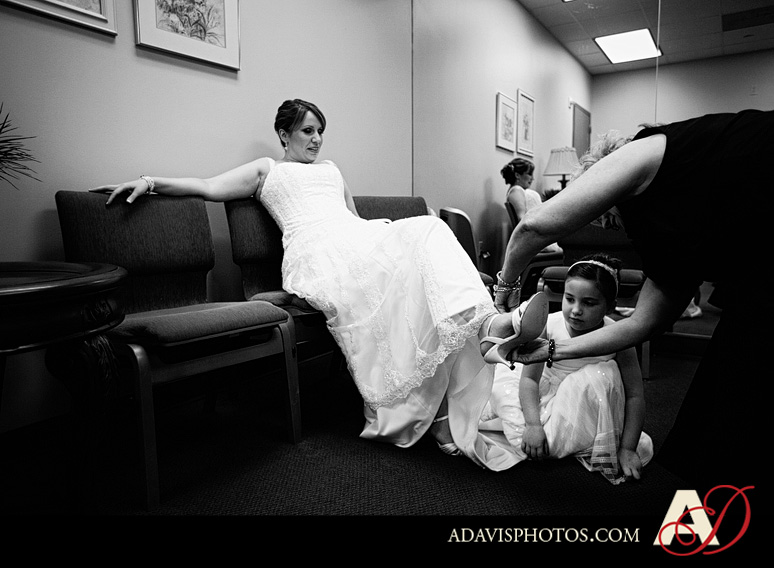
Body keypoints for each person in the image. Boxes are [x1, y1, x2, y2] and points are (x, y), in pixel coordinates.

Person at [91, 99, 549, 471]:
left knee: (428, 231)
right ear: (284, 134)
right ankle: (482, 339)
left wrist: (399, 238)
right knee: (420, 243)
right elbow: (208, 186)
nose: (316, 139)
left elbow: (354, 220)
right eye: (307, 131)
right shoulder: (267, 169)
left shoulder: (332, 168)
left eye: (320, 131)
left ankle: (488, 327)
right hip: (315, 254)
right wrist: (150, 181)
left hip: (351, 241)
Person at [494, 109, 773, 491]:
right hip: (757, 286)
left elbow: (532, 226)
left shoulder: (640, 155)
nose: (610, 225)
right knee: (722, 426)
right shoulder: (671, 237)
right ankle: (708, 515)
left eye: (605, 215)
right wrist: (551, 351)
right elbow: (643, 323)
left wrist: (506, 285)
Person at [480, 253, 652, 484]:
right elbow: (529, 380)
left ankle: (575, 437)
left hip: (589, 401)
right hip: (545, 393)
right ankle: (554, 434)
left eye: (589, 303)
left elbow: (634, 396)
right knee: (523, 431)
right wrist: (533, 424)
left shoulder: (620, 337)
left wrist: (628, 448)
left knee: (602, 373)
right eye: (570, 299)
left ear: (610, 306)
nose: (576, 310)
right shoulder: (549, 325)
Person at [501, 157, 561, 254]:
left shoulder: (520, 190)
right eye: (529, 174)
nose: (532, 178)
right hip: (535, 239)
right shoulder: (516, 190)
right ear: (517, 175)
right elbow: (522, 219)